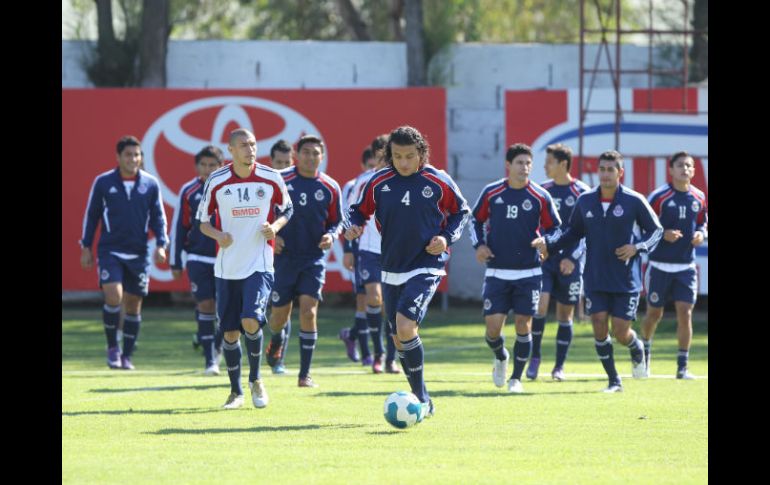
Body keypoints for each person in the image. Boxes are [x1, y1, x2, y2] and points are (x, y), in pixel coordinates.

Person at [346, 125, 470, 418]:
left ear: (421, 154)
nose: (404, 163)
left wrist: (445, 238)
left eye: (410, 156)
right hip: (390, 266)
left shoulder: (437, 180)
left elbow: (461, 212)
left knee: (405, 326)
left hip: (426, 265)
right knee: (399, 337)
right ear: (389, 155)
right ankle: (422, 397)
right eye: (398, 156)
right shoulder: (379, 182)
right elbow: (357, 211)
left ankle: (422, 399)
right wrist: (353, 225)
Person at [533, 150, 663, 393]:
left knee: (621, 332)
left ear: (620, 173)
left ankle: (635, 347)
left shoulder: (634, 200)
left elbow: (656, 231)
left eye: (610, 169)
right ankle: (614, 380)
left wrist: (637, 247)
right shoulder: (585, 200)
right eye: (601, 169)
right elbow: (572, 232)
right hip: (594, 277)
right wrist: (548, 244)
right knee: (600, 324)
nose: (605, 174)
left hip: (625, 279)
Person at [196, 128, 293, 409]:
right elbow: (203, 221)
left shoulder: (271, 177)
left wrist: (274, 227)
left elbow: (287, 209)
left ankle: (256, 380)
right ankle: (236, 392)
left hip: (259, 265)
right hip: (227, 268)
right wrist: (218, 235)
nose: (250, 149)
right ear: (231, 150)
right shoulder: (217, 180)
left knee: (251, 319)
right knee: (230, 333)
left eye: (252, 144)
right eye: (243, 145)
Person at [470, 143, 561, 393]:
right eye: (520, 163)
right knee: (492, 330)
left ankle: (516, 379)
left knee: (523, 323)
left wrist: (547, 241)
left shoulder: (540, 196)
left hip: (529, 273)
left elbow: (557, 228)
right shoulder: (492, 192)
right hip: (497, 272)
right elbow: (475, 220)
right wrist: (479, 245)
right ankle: (500, 357)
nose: (525, 168)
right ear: (508, 166)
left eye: (529, 163)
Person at [80, 135, 169, 370]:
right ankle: (112, 348)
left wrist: (161, 244)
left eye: (137, 155)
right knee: (113, 296)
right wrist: (86, 246)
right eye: (128, 155)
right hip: (110, 250)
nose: (133, 159)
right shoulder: (103, 182)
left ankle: (126, 356)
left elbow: (159, 217)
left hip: (138, 253)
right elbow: (92, 215)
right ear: (118, 157)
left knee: (133, 304)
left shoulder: (150, 184)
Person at [266, 135, 344, 388]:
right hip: (283, 259)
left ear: (322, 156)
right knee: (279, 316)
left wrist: (331, 235)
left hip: (313, 259)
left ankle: (304, 374)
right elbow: (262, 212)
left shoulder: (330, 187)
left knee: (309, 311)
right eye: (307, 152)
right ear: (297, 155)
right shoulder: (281, 181)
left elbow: (338, 221)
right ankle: (276, 339)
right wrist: (272, 236)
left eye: (316, 153)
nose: (311, 158)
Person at [641, 151, 707, 379]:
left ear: (694, 171)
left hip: (685, 267)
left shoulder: (698, 197)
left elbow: (702, 222)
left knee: (685, 313)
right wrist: (663, 234)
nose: (685, 169)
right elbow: (644, 225)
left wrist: (701, 234)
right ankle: (645, 353)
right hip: (659, 266)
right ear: (671, 169)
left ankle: (682, 366)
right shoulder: (659, 196)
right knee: (654, 314)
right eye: (680, 165)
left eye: (689, 166)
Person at [527, 144, 591, 381]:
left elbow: (589, 231)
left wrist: (572, 258)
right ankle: (534, 358)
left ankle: (559, 367)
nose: (544, 166)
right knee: (539, 307)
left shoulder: (583, 193)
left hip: (572, 264)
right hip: (545, 261)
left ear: (563, 164)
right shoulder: (543, 191)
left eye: (549, 162)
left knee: (565, 315)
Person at [344, 135, 401, 374]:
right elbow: (350, 212)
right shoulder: (364, 181)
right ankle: (377, 355)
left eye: (386, 157)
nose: (382, 161)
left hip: (397, 251)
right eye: (379, 157)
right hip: (369, 250)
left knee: (393, 306)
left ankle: (391, 357)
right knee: (375, 298)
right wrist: (349, 247)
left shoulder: (404, 181)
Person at [170, 145, 225, 375]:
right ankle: (209, 360)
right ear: (196, 166)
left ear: (222, 166)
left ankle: (218, 347)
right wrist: (176, 261)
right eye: (203, 164)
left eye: (212, 165)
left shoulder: (231, 188)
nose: (207, 169)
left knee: (225, 310)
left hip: (227, 258)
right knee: (206, 306)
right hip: (198, 258)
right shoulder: (189, 191)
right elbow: (180, 227)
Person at [338, 146, 378, 365]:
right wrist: (348, 250)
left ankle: (351, 335)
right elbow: (348, 218)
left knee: (377, 302)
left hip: (380, 251)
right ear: (363, 166)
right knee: (363, 300)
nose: (374, 169)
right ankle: (367, 354)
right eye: (371, 165)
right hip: (361, 249)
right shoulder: (353, 186)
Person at [263, 139, 296, 375]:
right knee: (260, 310)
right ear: (271, 163)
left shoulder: (300, 184)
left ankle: (279, 358)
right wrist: (271, 239)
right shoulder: (262, 185)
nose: (283, 168)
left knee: (284, 307)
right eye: (279, 163)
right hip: (262, 255)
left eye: (287, 162)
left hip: (290, 258)